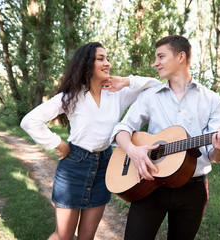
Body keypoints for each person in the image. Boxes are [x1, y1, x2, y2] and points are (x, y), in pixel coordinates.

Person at [20, 42, 160, 240]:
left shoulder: (118, 94)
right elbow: (29, 121)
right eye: (100, 59)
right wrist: (58, 143)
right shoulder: (71, 96)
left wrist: (125, 81)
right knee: (64, 235)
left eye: (108, 58)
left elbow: (156, 85)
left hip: (105, 166)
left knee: (87, 236)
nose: (107, 63)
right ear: (87, 64)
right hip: (74, 166)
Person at [110, 35, 220, 240]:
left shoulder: (213, 100)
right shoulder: (150, 96)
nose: (155, 63)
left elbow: (216, 156)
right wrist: (133, 151)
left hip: (192, 190)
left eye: (161, 56)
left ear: (180, 57)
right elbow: (123, 128)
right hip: (149, 185)